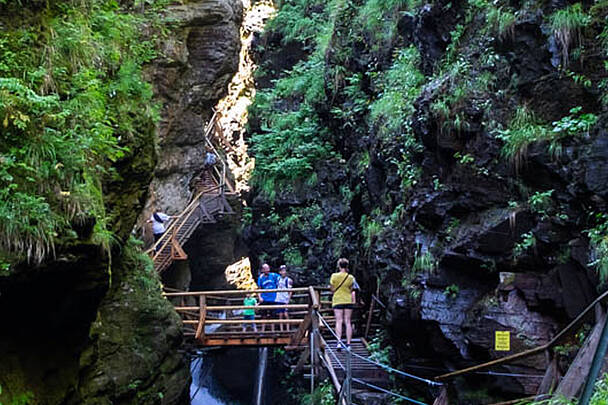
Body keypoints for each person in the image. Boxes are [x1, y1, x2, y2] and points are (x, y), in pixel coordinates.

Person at [330, 258, 357, 351]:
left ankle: (339, 342)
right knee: (348, 321)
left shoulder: (334, 276)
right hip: (348, 300)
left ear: (339, 266)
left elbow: (332, 289)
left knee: (339, 321)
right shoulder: (350, 277)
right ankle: (348, 343)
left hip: (338, 300)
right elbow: (351, 289)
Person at [257, 263, 280, 332]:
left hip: (273, 298)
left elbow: (281, 278)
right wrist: (259, 297)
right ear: (262, 270)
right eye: (265, 268)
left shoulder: (274, 275)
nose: (267, 270)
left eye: (268, 268)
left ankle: (273, 331)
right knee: (263, 315)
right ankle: (263, 331)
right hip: (264, 298)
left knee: (273, 315)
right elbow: (259, 288)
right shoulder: (261, 278)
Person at [275, 265, 294, 332]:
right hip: (279, 298)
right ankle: (281, 330)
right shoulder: (278, 279)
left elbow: (290, 291)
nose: (283, 272)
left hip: (285, 299)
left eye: (284, 270)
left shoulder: (288, 280)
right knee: (280, 315)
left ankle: (288, 329)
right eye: (282, 270)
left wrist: (288, 300)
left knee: (286, 314)